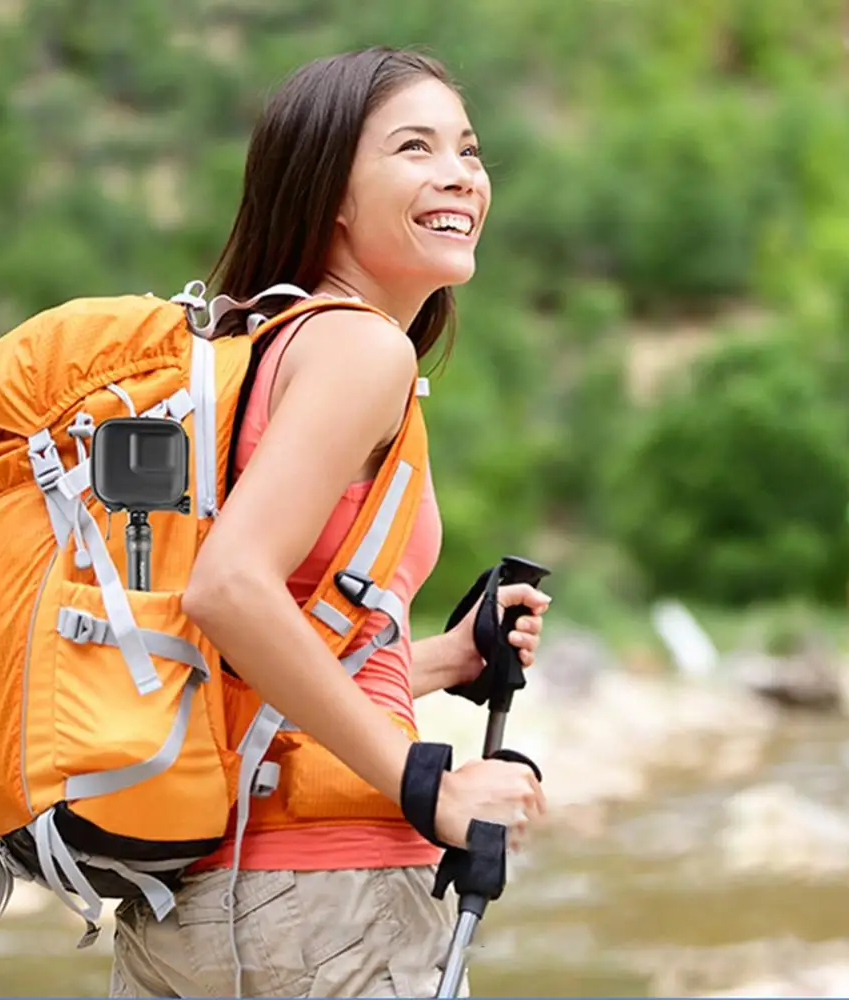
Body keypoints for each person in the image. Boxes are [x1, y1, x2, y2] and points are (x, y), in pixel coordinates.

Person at [108, 46, 552, 999]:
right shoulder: (359, 348)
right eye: (413, 148)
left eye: (468, 152)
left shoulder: (257, 348)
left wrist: (440, 660)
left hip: (195, 903)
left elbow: (247, 636)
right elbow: (227, 588)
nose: (460, 176)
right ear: (331, 195)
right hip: (326, 902)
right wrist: (424, 782)